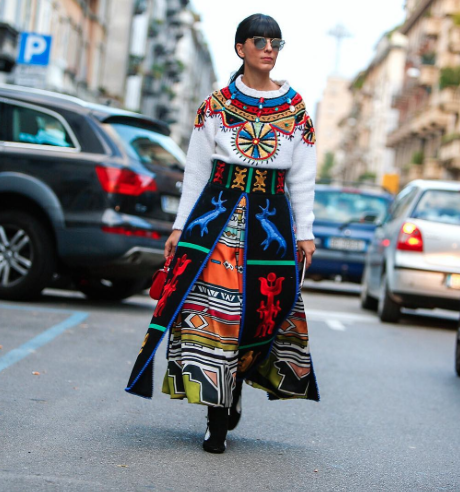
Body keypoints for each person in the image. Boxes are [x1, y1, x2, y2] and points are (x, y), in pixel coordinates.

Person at [126, 13, 320, 454]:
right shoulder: (215, 105)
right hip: (215, 221)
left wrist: (305, 233)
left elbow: (303, 178)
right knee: (216, 317)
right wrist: (179, 227)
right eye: (259, 41)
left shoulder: (296, 109)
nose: (269, 48)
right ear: (241, 49)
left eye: (276, 42)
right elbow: (195, 172)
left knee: (262, 313)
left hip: (269, 224)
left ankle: (234, 390)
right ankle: (217, 411)